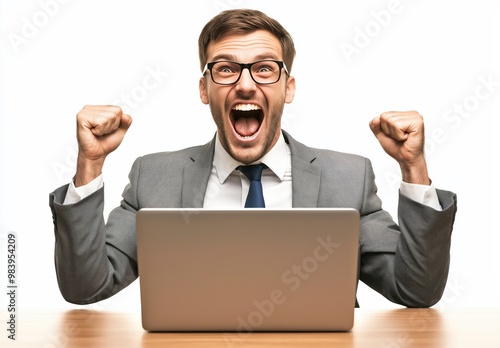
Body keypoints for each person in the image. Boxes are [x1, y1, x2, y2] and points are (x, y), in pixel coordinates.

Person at [49, 9, 457, 307]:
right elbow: (85, 287)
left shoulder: (346, 178)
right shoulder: (154, 177)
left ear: (288, 87)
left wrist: (413, 168)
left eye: (264, 69)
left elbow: (415, 290)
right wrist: (90, 165)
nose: (245, 85)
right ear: (205, 89)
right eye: (225, 70)